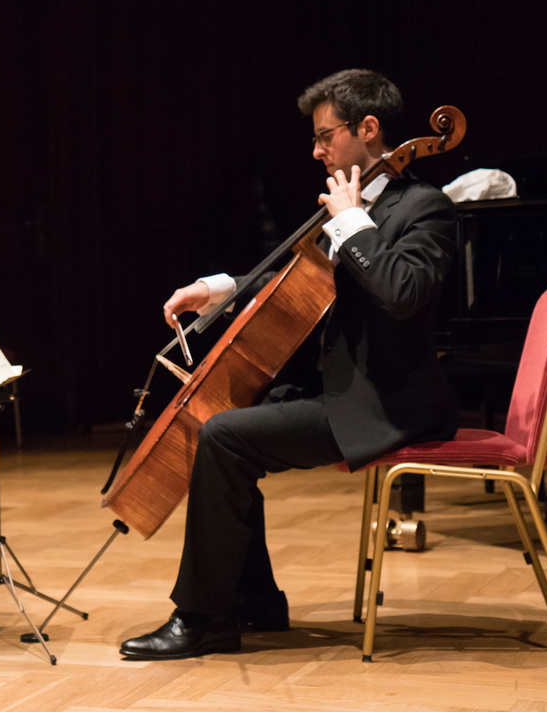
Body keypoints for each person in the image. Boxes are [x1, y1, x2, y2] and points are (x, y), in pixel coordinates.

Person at [119, 68, 458, 659]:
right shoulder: (348, 207)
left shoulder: (424, 208)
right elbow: (296, 282)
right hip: (341, 390)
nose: (316, 150)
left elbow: (402, 293)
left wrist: (351, 222)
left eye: (326, 136)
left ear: (368, 128)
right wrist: (218, 288)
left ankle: (203, 619)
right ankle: (255, 600)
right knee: (226, 426)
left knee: (224, 436)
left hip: (386, 403)